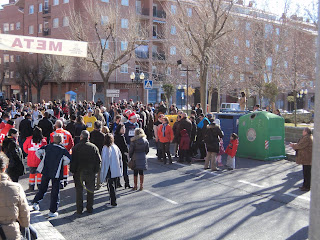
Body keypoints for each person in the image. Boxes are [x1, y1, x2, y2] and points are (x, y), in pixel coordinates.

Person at [32, 134, 71, 218]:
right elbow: (68, 160)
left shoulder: (47, 147)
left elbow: (37, 152)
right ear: (61, 141)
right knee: (55, 191)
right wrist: (61, 163)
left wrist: (43, 158)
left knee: (43, 187)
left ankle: (36, 202)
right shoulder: (62, 150)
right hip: (56, 172)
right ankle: (52, 211)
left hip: (46, 169)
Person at [0, 152, 30, 240]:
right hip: (10, 232)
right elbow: (24, 211)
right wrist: (24, 225)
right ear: (5, 167)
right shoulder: (16, 187)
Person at [71, 130, 101, 214]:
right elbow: (98, 160)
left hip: (78, 172)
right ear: (88, 137)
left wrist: (73, 171)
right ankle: (89, 208)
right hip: (90, 172)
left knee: (79, 191)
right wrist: (95, 170)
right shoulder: (93, 147)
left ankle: (79, 209)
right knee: (90, 191)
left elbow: (73, 161)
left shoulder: (76, 147)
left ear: (81, 137)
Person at [100, 133, 123, 207]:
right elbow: (120, 158)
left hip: (109, 169)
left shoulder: (105, 148)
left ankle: (113, 202)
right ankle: (113, 200)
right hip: (116, 168)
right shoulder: (115, 147)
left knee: (110, 186)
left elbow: (104, 160)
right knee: (114, 185)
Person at [50, 120, 74, 188]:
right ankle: (65, 179)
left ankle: (60, 181)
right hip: (66, 152)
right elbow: (71, 143)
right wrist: (67, 150)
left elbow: (52, 144)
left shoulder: (53, 134)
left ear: (56, 126)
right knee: (65, 166)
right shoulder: (67, 133)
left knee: (58, 166)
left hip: (56, 153)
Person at [114, 123, 132, 188]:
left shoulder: (115, 136)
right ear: (119, 129)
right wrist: (128, 152)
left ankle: (118, 182)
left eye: (124, 128)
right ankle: (127, 183)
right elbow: (125, 147)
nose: (124, 130)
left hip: (117, 155)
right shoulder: (121, 137)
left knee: (118, 169)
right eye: (122, 128)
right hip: (122, 155)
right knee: (125, 170)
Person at [90, 121, 105, 190]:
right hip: (100, 152)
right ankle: (98, 184)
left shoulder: (91, 134)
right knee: (99, 169)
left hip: (92, 153)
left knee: (92, 169)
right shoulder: (103, 135)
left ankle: (92, 183)